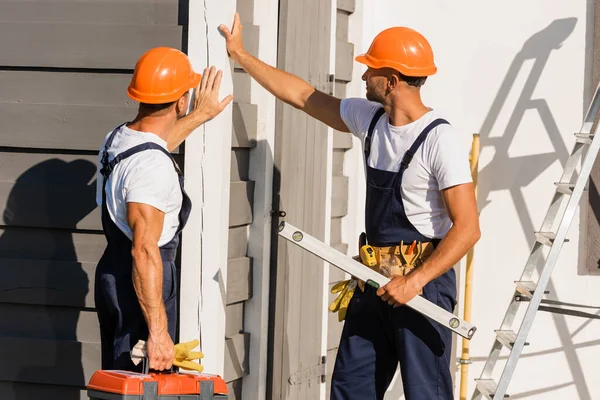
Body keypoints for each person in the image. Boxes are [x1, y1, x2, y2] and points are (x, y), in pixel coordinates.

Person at [219, 14, 480, 400]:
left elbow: (468, 229)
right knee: (351, 388)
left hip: (423, 286)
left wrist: (414, 282)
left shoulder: (439, 141)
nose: (363, 77)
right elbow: (302, 96)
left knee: (426, 392)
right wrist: (241, 54)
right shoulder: (370, 119)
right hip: (374, 279)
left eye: (371, 70)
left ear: (391, 81)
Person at [94, 47, 232, 372]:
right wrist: (157, 331)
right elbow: (143, 250)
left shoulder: (118, 139)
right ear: (181, 100)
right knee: (142, 381)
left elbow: (154, 147)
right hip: (139, 283)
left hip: (113, 274)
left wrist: (199, 116)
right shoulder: (153, 168)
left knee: (120, 376)